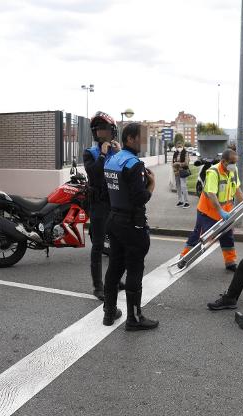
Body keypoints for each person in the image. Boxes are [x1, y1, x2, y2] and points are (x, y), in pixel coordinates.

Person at [102, 122, 159, 331]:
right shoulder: (133, 164)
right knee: (135, 269)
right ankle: (134, 319)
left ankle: (109, 313)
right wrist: (151, 185)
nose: (143, 142)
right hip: (132, 224)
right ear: (129, 139)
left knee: (114, 267)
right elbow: (139, 198)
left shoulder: (112, 160)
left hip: (114, 220)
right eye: (140, 137)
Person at [180, 149, 243, 271]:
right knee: (200, 235)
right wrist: (220, 211)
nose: (234, 165)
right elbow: (211, 194)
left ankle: (230, 262)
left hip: (226, 212)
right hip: (208, 212)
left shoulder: (233, 170)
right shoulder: (213, 172)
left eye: (235, 162)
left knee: (228, 236)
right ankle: (184, 258)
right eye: (231, 162)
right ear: (223, 161)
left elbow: (237, 189)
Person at [83, 111, 121, 300]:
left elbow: (125, 172)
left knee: (116, 244)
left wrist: (120, 153)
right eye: (97, 128)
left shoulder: (117, 151)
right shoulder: (90, 152)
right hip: (98, 204)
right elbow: (94, 174)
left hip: (115, 203)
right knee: (98, 245)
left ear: (111, 131)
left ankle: (114, 280)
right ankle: (98, 286)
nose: (100, 132)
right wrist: (104, 153)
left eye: (104, 128)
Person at [172, 142, 191, 208]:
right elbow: (173, 163)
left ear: (182, 146)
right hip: (176, 172)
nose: (179, 147)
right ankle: (180, 201)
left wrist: (177, 163)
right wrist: (175, 166)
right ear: (176, 146)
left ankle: (186, 202)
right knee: (178, 187)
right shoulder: (175, 153)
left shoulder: (186, 153)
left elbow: (186, 163)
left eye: (180, 146)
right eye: (178, 146)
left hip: (183, 171)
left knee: (183, 186)